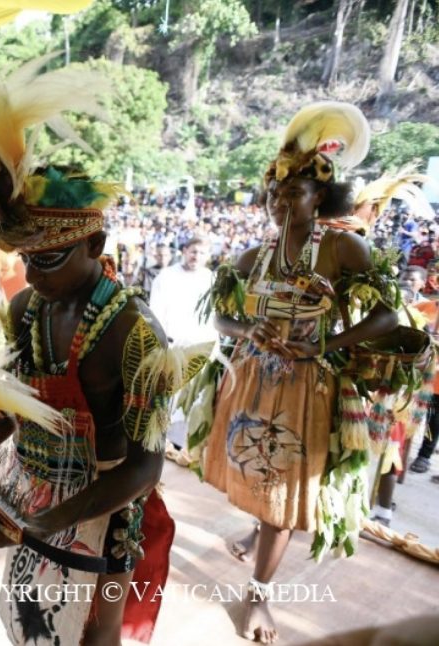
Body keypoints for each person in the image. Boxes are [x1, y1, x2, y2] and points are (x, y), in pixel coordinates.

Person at [0, 51, 187, 646]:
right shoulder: (23, 311)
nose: (33, 275)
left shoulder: (135, 334)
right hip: (38, 490)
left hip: (110, 504)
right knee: (33, 626)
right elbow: (11, 414)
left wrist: (50, 520)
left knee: (94, 634)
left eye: (49, 258)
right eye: (25, 259)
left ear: (96, 242)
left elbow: (146, 465)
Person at [193, 103, 398, 644]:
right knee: (254, 472)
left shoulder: (341, 246)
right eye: (273, 195)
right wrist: (247, 332)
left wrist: (328, 342)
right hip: (250, 383)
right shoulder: (251, 258)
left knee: (284, 498)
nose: (280, 203)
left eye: (294, 193)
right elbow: (219, 315)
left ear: (320, 197)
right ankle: (255, 531)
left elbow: (385, 315)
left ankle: (258, 594)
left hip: (308, 387)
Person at [148, 236, 215, 347]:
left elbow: (213, 314)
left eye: (202, 253)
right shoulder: (166, 276)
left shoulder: (210, 277)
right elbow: (155, 312)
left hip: (202, 345)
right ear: (185, 251)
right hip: (171, 345)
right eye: (194, 252)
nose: (197, 257)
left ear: (208, 256)